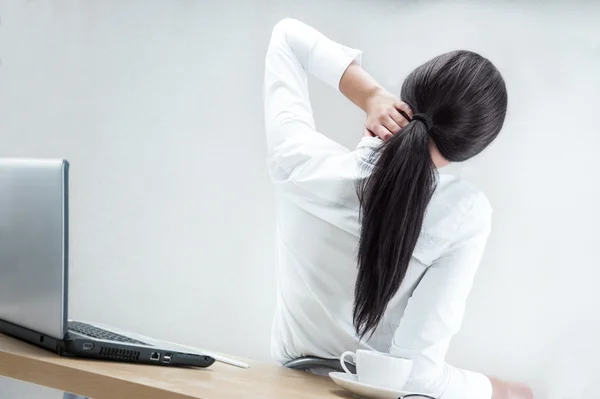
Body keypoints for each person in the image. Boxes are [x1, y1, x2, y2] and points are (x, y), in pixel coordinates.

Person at [263, 18, 533, 399]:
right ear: (470, 147)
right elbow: (417, 378)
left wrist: (371, 95)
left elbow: (288, 37)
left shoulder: (300, 160)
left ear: (408, 97)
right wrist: (498, 391)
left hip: (277, 386)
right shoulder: (462, 214)